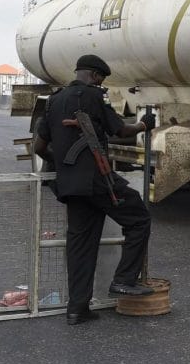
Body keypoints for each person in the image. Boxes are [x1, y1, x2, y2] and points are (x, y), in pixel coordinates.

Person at [33, 54, 157, 325]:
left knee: (81, 246)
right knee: (138, 219)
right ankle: (124, 280)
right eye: (102, 78)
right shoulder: (93, 97)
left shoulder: (53, 101)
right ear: (97, 76)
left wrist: (66, 163)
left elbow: (39, 148)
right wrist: (145, 124)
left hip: (70, 186)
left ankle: (77, 309)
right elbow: (121, 130)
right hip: (98, 180)